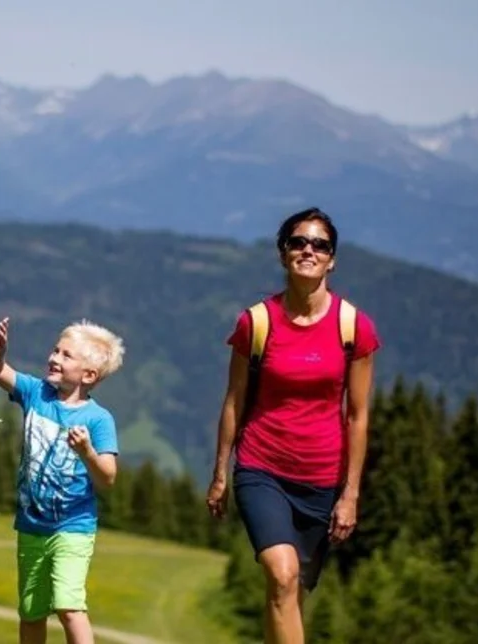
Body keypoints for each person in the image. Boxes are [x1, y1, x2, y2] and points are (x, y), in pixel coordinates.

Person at [205, 207, 378, 644]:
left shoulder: (353, 326)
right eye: (298, 242)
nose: (308, 250)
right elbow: (234, 401)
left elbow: (358, 415)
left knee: (291, 593)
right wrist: (220, 473)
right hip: (262, 470)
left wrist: (351, 494)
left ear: (332, 259)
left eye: (319, 245)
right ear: (283, 254)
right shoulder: (256, 322)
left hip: (322, 479)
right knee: (282, 577)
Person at [0, 316, 125, 644]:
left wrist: (87, 451)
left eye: (66, 355)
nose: (54, 358)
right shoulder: (36, 393)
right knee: (31, 612)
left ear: (89, 375)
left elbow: (108, 478)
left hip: (73, 527)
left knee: (69, 605)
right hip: (31, 525)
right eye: (55, 350)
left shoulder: (99, 420)